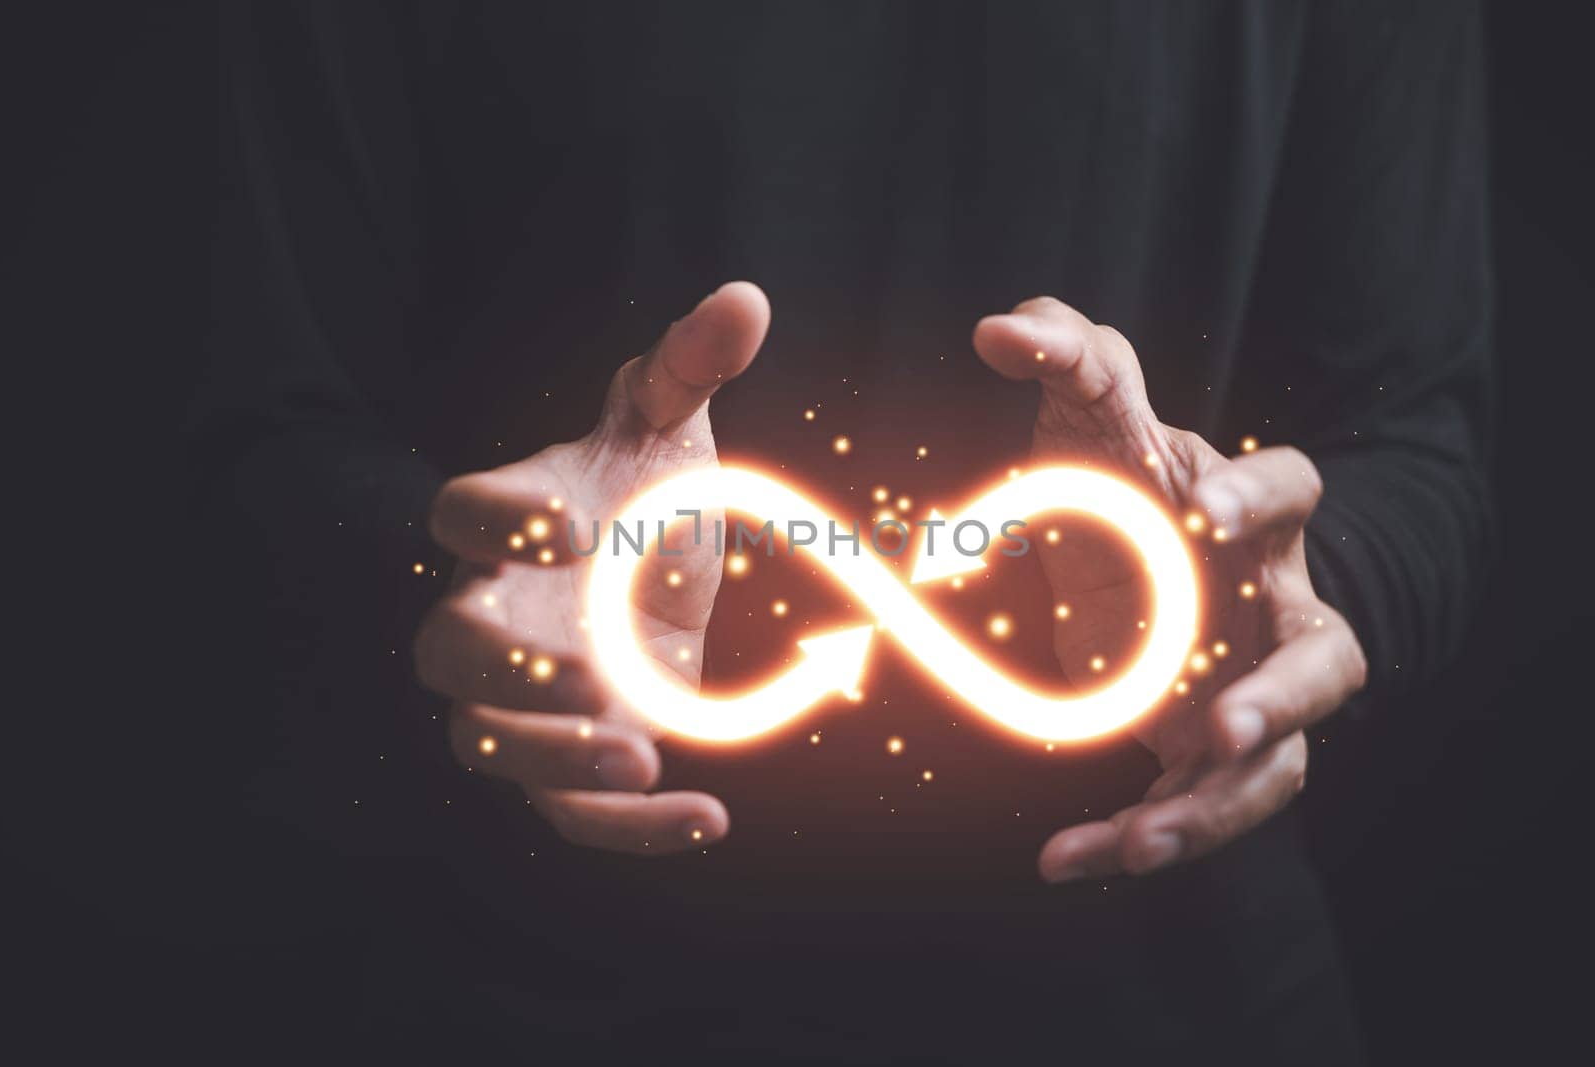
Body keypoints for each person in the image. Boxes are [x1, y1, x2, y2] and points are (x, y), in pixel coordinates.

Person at [205, 1, 1492, 1060]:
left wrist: (1306, 583)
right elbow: (237, 426)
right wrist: (462, 580)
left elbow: (1427, 441)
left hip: (1181, 998)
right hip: (515, 987)